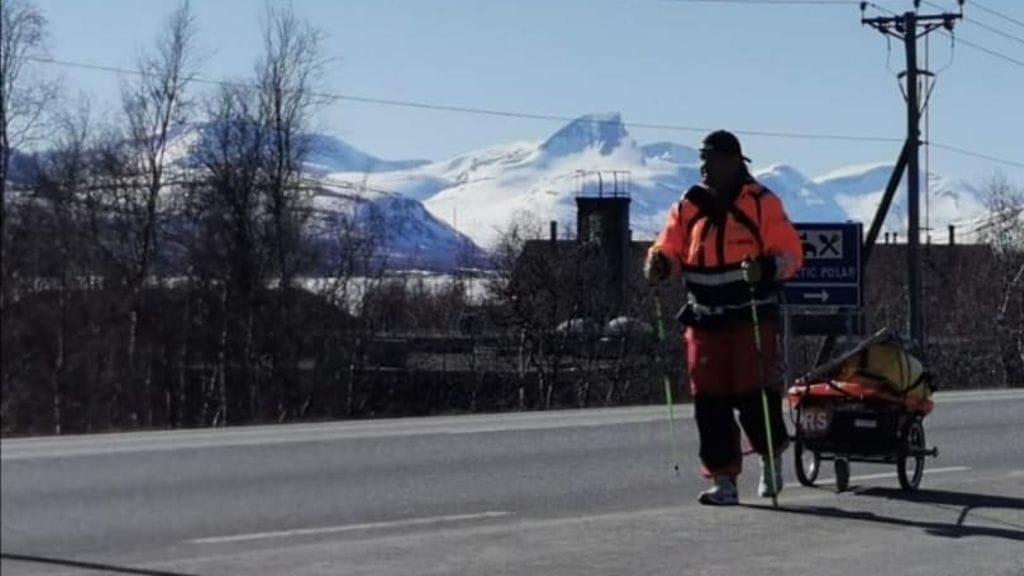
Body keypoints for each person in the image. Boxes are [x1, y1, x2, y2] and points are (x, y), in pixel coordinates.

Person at [644, 130, 804, 505]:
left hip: (750, 318)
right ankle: (723, 480)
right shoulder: (688, 205)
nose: (704, 167)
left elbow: (792, 255)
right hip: (703, 319)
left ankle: (770, 458)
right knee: (709, 403)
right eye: (702, 160)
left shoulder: (763, 203)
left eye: (712, 159)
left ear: (734, 163)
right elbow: (669, 247)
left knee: (754, 396)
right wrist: (659, 262)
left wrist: (765, 269)